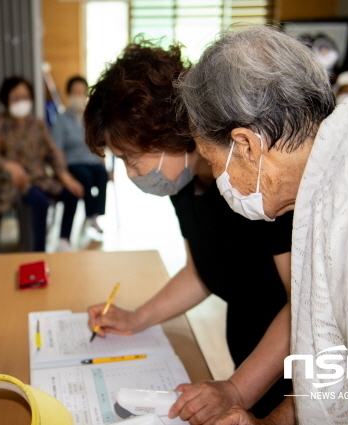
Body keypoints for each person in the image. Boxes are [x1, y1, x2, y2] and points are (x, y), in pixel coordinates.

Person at [176, 24, 348, 424]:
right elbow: (335, 370)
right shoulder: (321, 188)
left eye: (214, 162)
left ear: (248, 146)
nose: (218, 179)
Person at [84, 41, 293, 424]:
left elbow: (303, 308)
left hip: (293, 371)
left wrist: (235, 389)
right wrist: (138, 318)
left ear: (169, 132)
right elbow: (203, 270)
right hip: (248, 358)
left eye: (131, 159)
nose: (131, 173)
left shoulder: (258, 184)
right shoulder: (184, 184)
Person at [0, 76, 84, 252]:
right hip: (16, 183)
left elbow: (53, 152)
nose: (22, 102)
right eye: (16, 97)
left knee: (72, 193)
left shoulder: (37, 124)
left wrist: (65, 177)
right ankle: (38, 250)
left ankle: (63, 241)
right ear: (6, 99)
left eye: (25, 97)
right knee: (40, 202)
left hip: (40, 178)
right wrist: (10, 166)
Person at [52, 76, 108, 234]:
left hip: (91, 160)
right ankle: (90, 215)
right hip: (73, 163)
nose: (78, 96)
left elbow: (98, 145)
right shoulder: (62, 119)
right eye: (75, 92)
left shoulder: (90, 118)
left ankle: (95, 215)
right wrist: (62, 171)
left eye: (81, 92)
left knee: (102, 175)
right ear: (69, 94)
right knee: (86, 178)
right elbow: (58, 149)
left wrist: (105, 166)